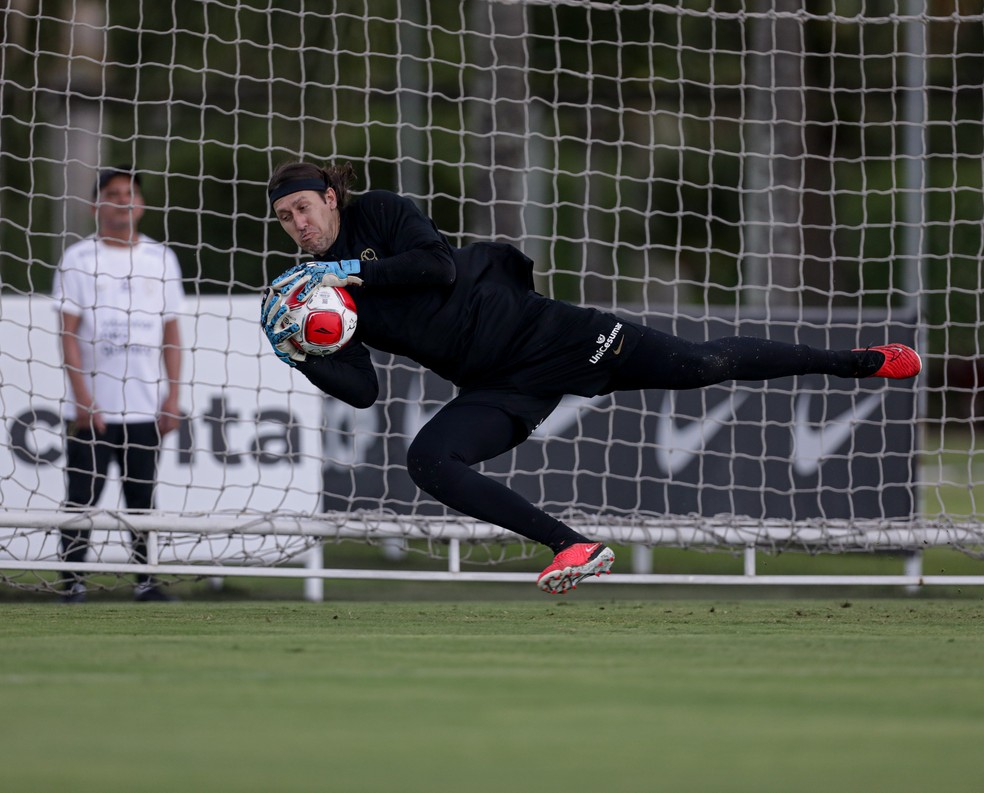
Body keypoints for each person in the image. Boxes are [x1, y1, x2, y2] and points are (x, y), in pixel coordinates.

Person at [260, 161, 922, 595]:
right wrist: (299, 354)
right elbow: (363, 389)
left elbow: (436, 266)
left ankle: (861, 360)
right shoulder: (322, 304)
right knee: (430, 459)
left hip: (549, 334)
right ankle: (572, 547)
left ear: (329, 196)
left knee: (701, 365)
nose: (299, 225)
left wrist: (345, 273)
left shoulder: (378, 215)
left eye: (304, 208)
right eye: (286, 219)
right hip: (499, 383)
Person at [51, 165, 185, 603]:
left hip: (145, 408)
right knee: (81, 499)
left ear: (141, 204)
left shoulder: (161, 258)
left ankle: (145, 581)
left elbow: (172, 334)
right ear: (96, 205)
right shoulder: (78, 258)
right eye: (112, 194)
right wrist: (83, 398)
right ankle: (72, 583)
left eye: (129, 193)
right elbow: (68, 333)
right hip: (94, 411)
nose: (122, 201)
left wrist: (173, 396)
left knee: (141, 502)